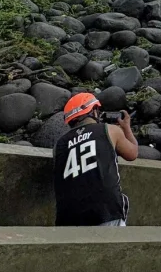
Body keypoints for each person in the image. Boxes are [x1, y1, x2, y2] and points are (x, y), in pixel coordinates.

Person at [53, 93, 138, 226]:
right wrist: (126, 128)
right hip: (106, 211)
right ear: (93, 111)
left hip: (68, 218)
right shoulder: (110, 130)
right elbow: (132, 154)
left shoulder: (59, 144)